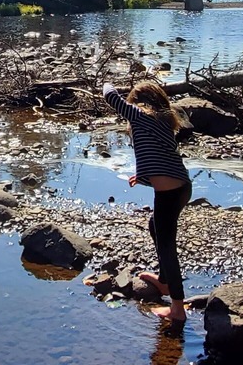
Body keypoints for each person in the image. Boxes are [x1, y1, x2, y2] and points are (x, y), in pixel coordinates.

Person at [101, 80, 191, 322]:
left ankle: (177, 309)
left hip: (169, 194)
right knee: (155, 226)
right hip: (180, 187)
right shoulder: (162, 122)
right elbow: (159, 159)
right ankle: (163, 282)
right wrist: (141, 177)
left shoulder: (143, 116)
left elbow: (111, 97)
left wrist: (107, 83)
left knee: (167, 247)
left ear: (141, 103)